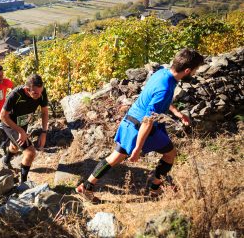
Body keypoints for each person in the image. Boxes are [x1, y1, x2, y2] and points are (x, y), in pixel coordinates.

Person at [76, 48, 204, 198]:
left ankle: (86, 186)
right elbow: (147, 120)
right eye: (195, 71)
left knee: (114, 158)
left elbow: (156, 100)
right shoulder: (165, 87)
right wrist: (137, 148)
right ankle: (155, 188)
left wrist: (177, 113)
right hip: (141, 127)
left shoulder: (162, 74)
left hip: (130, 121)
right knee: (170, 154)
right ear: (187, 70)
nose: (195, 74)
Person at [0, 74, 49, 183]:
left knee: (15, 146)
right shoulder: (15, 95)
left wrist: (44, 132)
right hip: (10, 124)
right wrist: (21, 131)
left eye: (41, 92)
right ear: (27, 89)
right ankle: (24, 183)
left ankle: (6, 161)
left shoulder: (40, 91)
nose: (39, 95)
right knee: (30, 152)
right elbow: (2, 116)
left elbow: (45, 111)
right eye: (36, 93)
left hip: (23, 123)